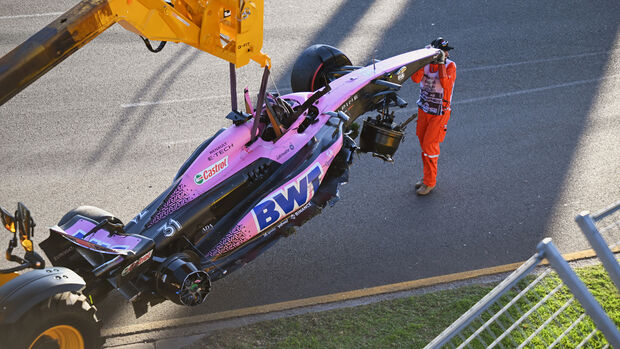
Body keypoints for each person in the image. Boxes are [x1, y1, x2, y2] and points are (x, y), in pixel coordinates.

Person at [410, 37, 456, 196]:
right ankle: (426, 177)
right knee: (424, 144)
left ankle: (430, 182)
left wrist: (441, 64)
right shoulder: (426, 64)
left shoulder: (450, 66)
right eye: (443, 51)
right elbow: (415, 78)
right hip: (424, 110)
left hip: (439, 113)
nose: (447, 53)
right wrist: (422, 61)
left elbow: (447, 85)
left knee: (430, 146)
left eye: (446, 51)